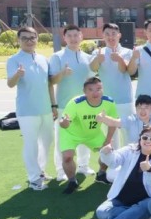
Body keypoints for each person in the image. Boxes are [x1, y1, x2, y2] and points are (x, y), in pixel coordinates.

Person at [86, 125, 151, 219]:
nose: (148, 141)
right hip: (123, 199)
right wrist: (107, 153)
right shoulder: (130, 150)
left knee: (148, 205)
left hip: (147, 200)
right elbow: (114, 162)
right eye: (145, 137)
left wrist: (149, 170)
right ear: (140, 138)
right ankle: (140, 215)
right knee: (101, 212)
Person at [7, 26, 56, 190]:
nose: (29, 41)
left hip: (46, 109)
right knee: (31, 144)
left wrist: (53, 105)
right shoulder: (14, 60)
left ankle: (40, 170)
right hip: (27, 111)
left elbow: (49, 84)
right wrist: (17, 75)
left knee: (47, 141)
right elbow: (10, 84)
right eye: (25, 38)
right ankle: (34, 178)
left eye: (32, 37)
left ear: (37, 39)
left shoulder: (43, 59)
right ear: (18, 40)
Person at [58, 77, 120, 194]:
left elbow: (113, 123)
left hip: (93, 134)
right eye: (91, 90)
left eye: (98, 89)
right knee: (67, 157)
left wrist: (108, 140)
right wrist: (64, 122)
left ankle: (101, 174)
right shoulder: (75, 103)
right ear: (84, 91)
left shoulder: (109, 102)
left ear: (103, 89)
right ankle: (72, 181)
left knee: (107, 152)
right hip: (71, 134)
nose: (95, 93)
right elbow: (63, 124)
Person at [50, 25, 95, 180]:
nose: (73, 38)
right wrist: (62, 73)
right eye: (69, 35)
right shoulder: (57, 56)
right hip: (64, 105)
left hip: (84, 105)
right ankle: (60, 170)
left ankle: (83, 165)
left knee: (84, 135)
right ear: (65, 38)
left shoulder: (87, 57)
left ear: (81, 36)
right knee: (62, 139)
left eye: (76, 35)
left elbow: (92, 80)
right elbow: (52, 80)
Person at [99, 94, 151, 185]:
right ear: (136, 109)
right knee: (110, 175)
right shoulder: (131, 119)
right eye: (139, 108)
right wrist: (103, 118)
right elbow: (115, 122)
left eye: (146, 107)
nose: (142, 111)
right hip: (132, 156)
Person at [89, 23, 134, 148]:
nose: (111, 37)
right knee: (110, 136)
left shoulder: (127, 52)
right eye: (107, 34)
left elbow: (125, 70)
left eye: (114, 34)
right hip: (106, 100)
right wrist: (98, 59)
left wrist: (119, 59)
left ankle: (129, 159)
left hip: (125, 99)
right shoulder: (98, 52)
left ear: (119, 35)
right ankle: (113, 159)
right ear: (103, 36)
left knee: (128, 133)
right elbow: (92, 68)